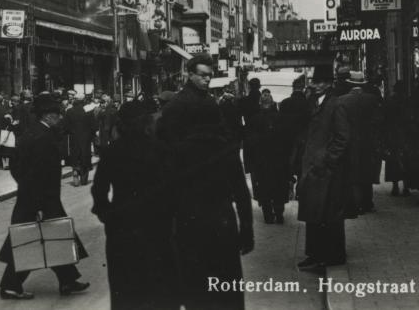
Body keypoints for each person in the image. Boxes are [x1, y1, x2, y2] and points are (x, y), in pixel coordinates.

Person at [157, 54, 253, 310]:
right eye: (202, 75)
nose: (207, 79)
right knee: (225, 287)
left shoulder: (178, 135)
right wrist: (247, 228)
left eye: (209, 75)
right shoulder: (222, 146)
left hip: (188, 220)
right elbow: (240, 190)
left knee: (196, 286)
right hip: (219, 219)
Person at [0, 93, 90, 300]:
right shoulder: (43, 138)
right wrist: (37, 203)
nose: (60, 117)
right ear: (47, 115)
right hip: (39, 200)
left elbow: (16, 166)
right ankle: (10, 285)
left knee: (56, 237)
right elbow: (37, 174)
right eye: (57, 113)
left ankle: (67, 280)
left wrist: (24, 187)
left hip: (35, 197)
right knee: (30, 242)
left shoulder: (33, 133)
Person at [92, 100, 175, 309]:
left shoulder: (112, 151)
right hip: (157, 225)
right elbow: (174, 188)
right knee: (159, 286)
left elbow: (99, 190)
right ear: (147, 123)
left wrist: (107, 215)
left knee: (125, 289)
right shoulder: (161, 149)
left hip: (122, 226)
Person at [297, 64, 353, 271]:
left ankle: (330, 256)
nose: (317, 85)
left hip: (327, 171)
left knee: (328, 216)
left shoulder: (335, 105)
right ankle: (314, 254)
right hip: (314, 169)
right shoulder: (315, 103)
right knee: (314, 214)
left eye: (321, 82)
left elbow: (343, 137)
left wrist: (328, 160)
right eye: (315, 81)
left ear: (329, 84)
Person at [338, 72, 383, 215]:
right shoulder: (372, 100)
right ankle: (367, 203)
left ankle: (354, 204)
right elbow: (379, 121)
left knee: (351, 173)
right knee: (366, 172)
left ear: (350, 84)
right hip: (367, 142)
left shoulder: (342, 100)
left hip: (349, 142)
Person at [251, 89, 294, 224]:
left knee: (264, 187)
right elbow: (287, 140)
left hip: (262, 160)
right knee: (279, 186)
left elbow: (251, 142)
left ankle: (268, 215)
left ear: (260, 103)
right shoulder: (281, 118)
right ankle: (279, 213)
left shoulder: (255, 119)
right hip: (279, 159)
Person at [62, 94, 96, 186]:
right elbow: (94, 126)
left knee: (75, 155)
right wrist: (91, 135)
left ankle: (75, 170)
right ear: (83, 100)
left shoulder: (69, 111)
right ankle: (84, 178)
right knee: (85, 156)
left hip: (74, 137)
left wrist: (70, 132)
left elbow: (65, 126)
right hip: (86, 138)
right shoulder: (88, 110)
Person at [384, 81, 411, 196]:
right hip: (405, 134)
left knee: (393, 161)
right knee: (405, 160)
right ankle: (406, 186)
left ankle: (395, 186)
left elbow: (385, 119)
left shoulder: (390, 101)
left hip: (392, 134)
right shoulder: (406, 101)